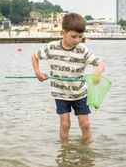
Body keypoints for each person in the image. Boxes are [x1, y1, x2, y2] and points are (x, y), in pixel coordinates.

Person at [31, 13, 105, 141]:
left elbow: (100, 63)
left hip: (80, 93)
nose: (77, 40)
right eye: (74, 36)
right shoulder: (52, 47)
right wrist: (37, 72)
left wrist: (97, 72)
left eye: (81, 37)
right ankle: (64, 150)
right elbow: (34, 56)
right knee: (65, 124)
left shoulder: (82, 50)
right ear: (63, 33)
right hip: (60, 93)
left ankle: (86, 151)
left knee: (85, 125)